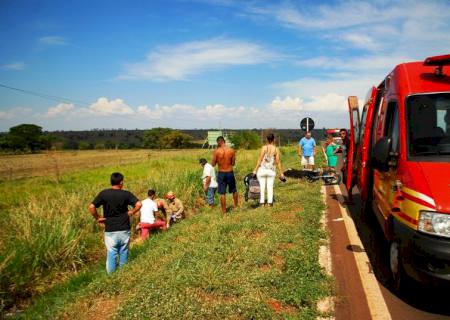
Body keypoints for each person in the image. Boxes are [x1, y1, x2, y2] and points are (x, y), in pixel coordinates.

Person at [88, 172, 142, 274]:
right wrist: (131, 212)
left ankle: (111, 276)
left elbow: (91, 207)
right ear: (121, 182)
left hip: (110, 229)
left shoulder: (104, 193)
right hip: (124, 228)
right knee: (124, 251)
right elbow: (139, 204)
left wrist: (98, 218)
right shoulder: (126, 194)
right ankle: (123, 273)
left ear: (111, 182)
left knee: (112, 252)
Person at [252, 133, 285, 207]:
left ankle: (262, 203)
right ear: (274, 140)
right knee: (270, 187)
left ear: (267, 140)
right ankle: (270, 203)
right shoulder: (276, 149)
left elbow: (260, 160)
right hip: (271, 171)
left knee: (262, 187)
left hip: (262, 170)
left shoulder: (264, 148)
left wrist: (255, 170)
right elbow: (278, 162)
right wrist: (281, 173)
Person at [211, 136, 238, 214]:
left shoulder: (216, 151)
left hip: (221, 173)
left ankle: (224, 211)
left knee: (222, 193)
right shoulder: (231, 150)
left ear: (218, 142)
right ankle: (236, 206)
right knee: (234, 190)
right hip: (230, 172)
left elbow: (213, 164)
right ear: (224, 141)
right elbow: (233, 163)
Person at [339, 128, 354, 204]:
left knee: (348, 181)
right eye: (341, 134)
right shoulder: (344, 142)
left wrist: (346, 165)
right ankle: (350, 198)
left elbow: (350, 153)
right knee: (345, 181)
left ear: (346, 134)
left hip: (348, 164)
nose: (342, 135)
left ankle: (350, 200)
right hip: (345, 163)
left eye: (343, 134)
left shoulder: (348, 142)